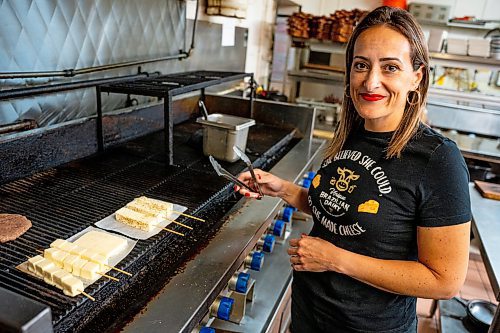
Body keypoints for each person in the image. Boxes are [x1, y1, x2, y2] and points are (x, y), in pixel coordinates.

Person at [236, 6, 472, 333]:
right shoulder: (353, 133)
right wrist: (286, 190)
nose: (371, 81)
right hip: (309, 316)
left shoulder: (438, 159)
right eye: (361, 65)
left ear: (416, 77)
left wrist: (335, 259)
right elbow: (346, 212)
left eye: (390, 67)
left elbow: (444, 281)